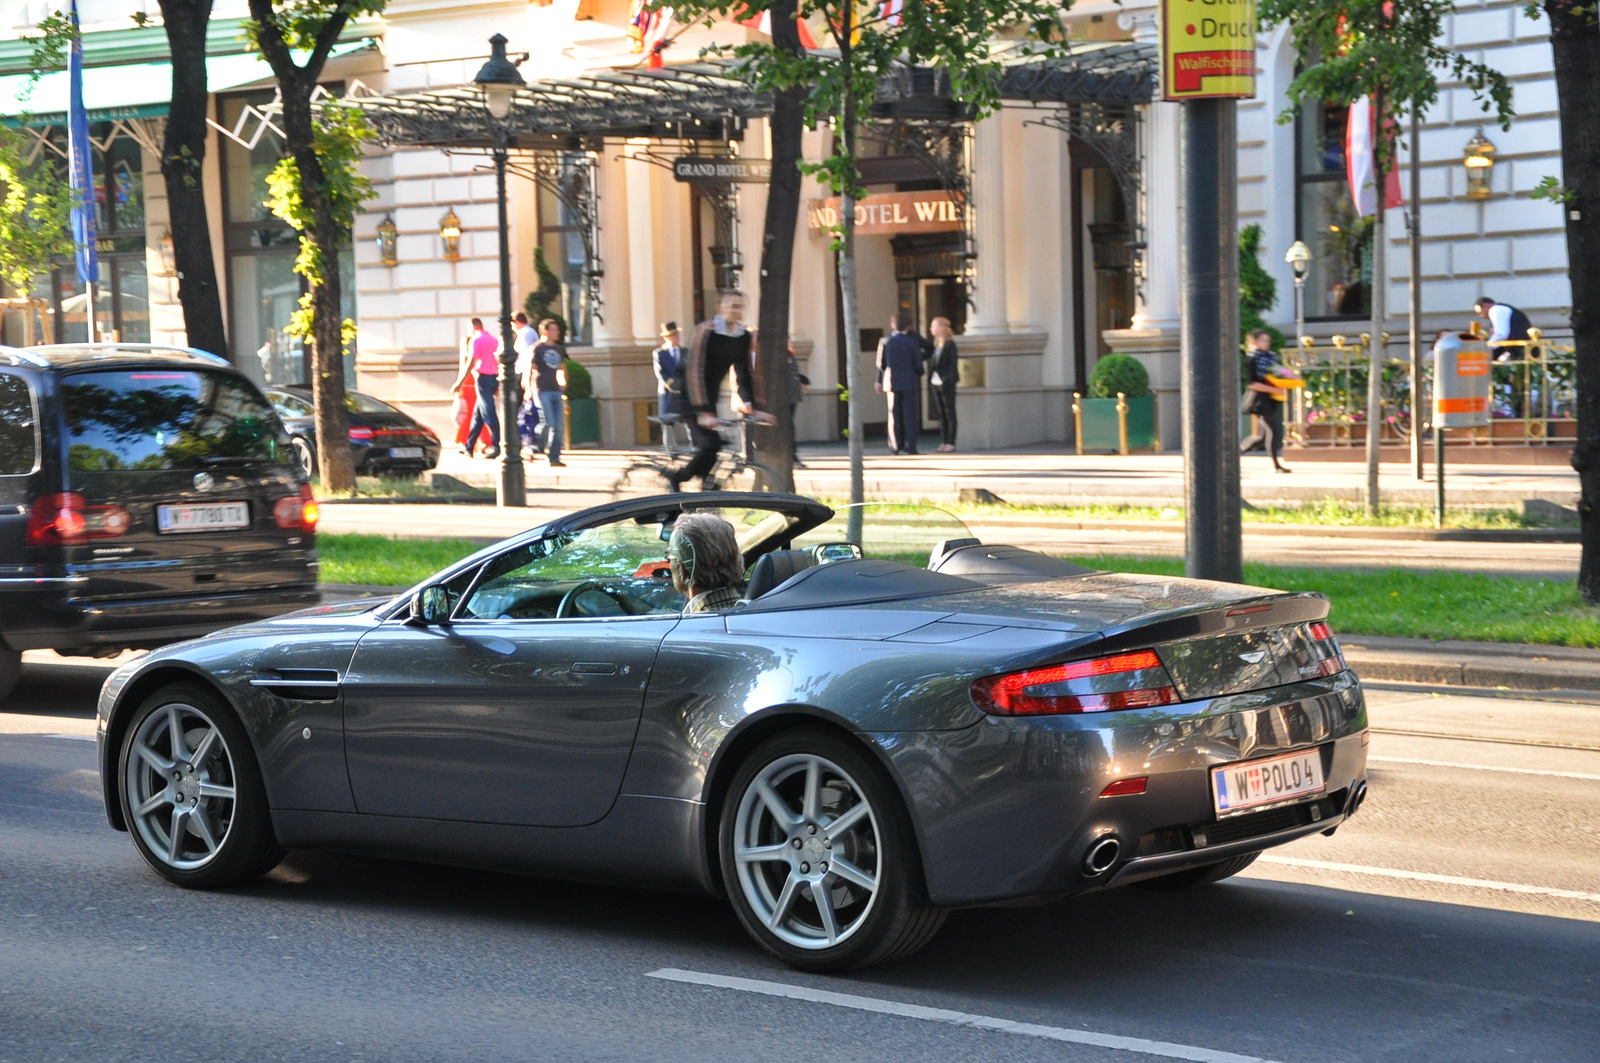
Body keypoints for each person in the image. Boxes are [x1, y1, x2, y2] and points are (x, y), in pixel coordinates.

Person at [669, 290, 769, 491]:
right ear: (721, 307)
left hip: (709, 399)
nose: (737, 310)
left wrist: (754, 406)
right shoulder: (705, 331)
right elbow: (694, 372)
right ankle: (677, 478)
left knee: (714, 454)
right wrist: (702, 411)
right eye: (732, 305)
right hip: (689, 397)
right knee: (710, 444)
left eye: (740, 306)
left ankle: (705, 496)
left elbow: (745, 374)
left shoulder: (743, 336)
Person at [667, 511, 746, 613]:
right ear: (737, 559)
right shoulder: (756, 611)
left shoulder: (693, 624)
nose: (668, 562)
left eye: (671, 557)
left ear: (681, 569)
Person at [1240, 328, 1290, 474]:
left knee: (1261, 435)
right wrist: (1275, 390)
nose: (1267, 343)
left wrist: (1292, 378)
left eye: (1268, 340)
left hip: (1269, 398)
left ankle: (1236, 453)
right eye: (1264, 340)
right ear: (1255, 342)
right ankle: (1276, 465)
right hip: (1259, 399)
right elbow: (1252, 384)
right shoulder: (1251, 359)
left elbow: (1278, 371)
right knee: (1272, 430)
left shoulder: (1269, 357)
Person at [450, 317, 500, 459]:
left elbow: (470, 363)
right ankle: (469, 446)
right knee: (478, 415)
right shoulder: (494, 340)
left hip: (483, 378)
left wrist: (459, 382)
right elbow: (497, 362)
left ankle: (497, 446)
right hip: (493, 378)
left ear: (473, 327)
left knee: (488, 413)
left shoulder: (475, 340)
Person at [875, 311, 923, 455]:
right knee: (910, 415)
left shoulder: (885, 341)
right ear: (908, 326)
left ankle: (895, 445)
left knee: (893, 415)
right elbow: (918, 365)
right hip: (909, 381)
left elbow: (880, 364)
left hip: (891, 381)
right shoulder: (913, 342)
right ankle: (911, 445)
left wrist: (879, 380)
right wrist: (917, 373)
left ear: (892, 325)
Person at [524, 318, 567, 467]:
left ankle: (554, 458)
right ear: (545, 332)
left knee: (558, 426)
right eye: (554, 330)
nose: (558, 332)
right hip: (541, 390)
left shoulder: (558, 349)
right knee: (548, 423)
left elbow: (562, 367)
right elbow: (529, 369)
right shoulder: (537, 348)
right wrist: (528, 389)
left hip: (556, 390)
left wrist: (563, 383)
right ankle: (535, 443)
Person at [927, 316, 959, 453]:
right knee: (941, 412)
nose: (931, 329)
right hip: (935, 382)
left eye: (934, 326)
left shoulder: (950, 344)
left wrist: (947, 379)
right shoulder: (936, 344)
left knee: (949, 411)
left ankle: (951, 441)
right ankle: (944, 440)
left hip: (946, 382)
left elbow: (953, 364)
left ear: (941, 327)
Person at [512, 311, 541, 451]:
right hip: (525, 373)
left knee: (521, 408)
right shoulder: (530, 332)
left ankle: (524, 440)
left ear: (516, 322)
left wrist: (525, 378)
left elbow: (525, 357)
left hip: (523, 373)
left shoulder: (524, 334)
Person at [1474, 296, 1533, 361]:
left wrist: (1486, 347)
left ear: (1486, 306)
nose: (1481, 316)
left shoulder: (1496, 310)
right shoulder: (1503, 309)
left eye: (1480, 312)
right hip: (1525, 348)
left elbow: (1501, 334)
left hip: (1521, 349)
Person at [653, 322, 683, 421]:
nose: (675, 337)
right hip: (667, 393)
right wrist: (671, 384)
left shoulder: (685, 352)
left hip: (683, 394)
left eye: (676, 334)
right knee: (667, 423)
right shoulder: (659, 353)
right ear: (666, 337)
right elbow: (660, 372)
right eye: (672, 335)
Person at [787, 343, 810, 468]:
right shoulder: (778, 355)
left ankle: (793, 457)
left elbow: (793, 371)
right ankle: (791, 458)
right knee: (787, 427)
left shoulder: (791, 354)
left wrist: (803, 379)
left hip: (793, 395)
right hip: (784, 395)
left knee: (790, 426)